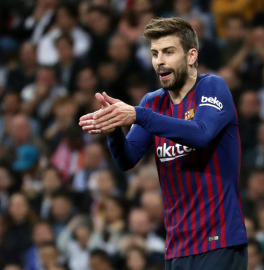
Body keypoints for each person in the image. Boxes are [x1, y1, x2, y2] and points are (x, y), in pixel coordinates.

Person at [79, 17, 248, 269]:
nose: (160, 60)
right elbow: (127, 159)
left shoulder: (213, 87)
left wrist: (138, 115)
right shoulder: (152, 102)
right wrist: (113, 128)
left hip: (219, 240)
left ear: (191, 56)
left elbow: (200, 134)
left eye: (169, 52)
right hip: (178, 246)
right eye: (155, 53)